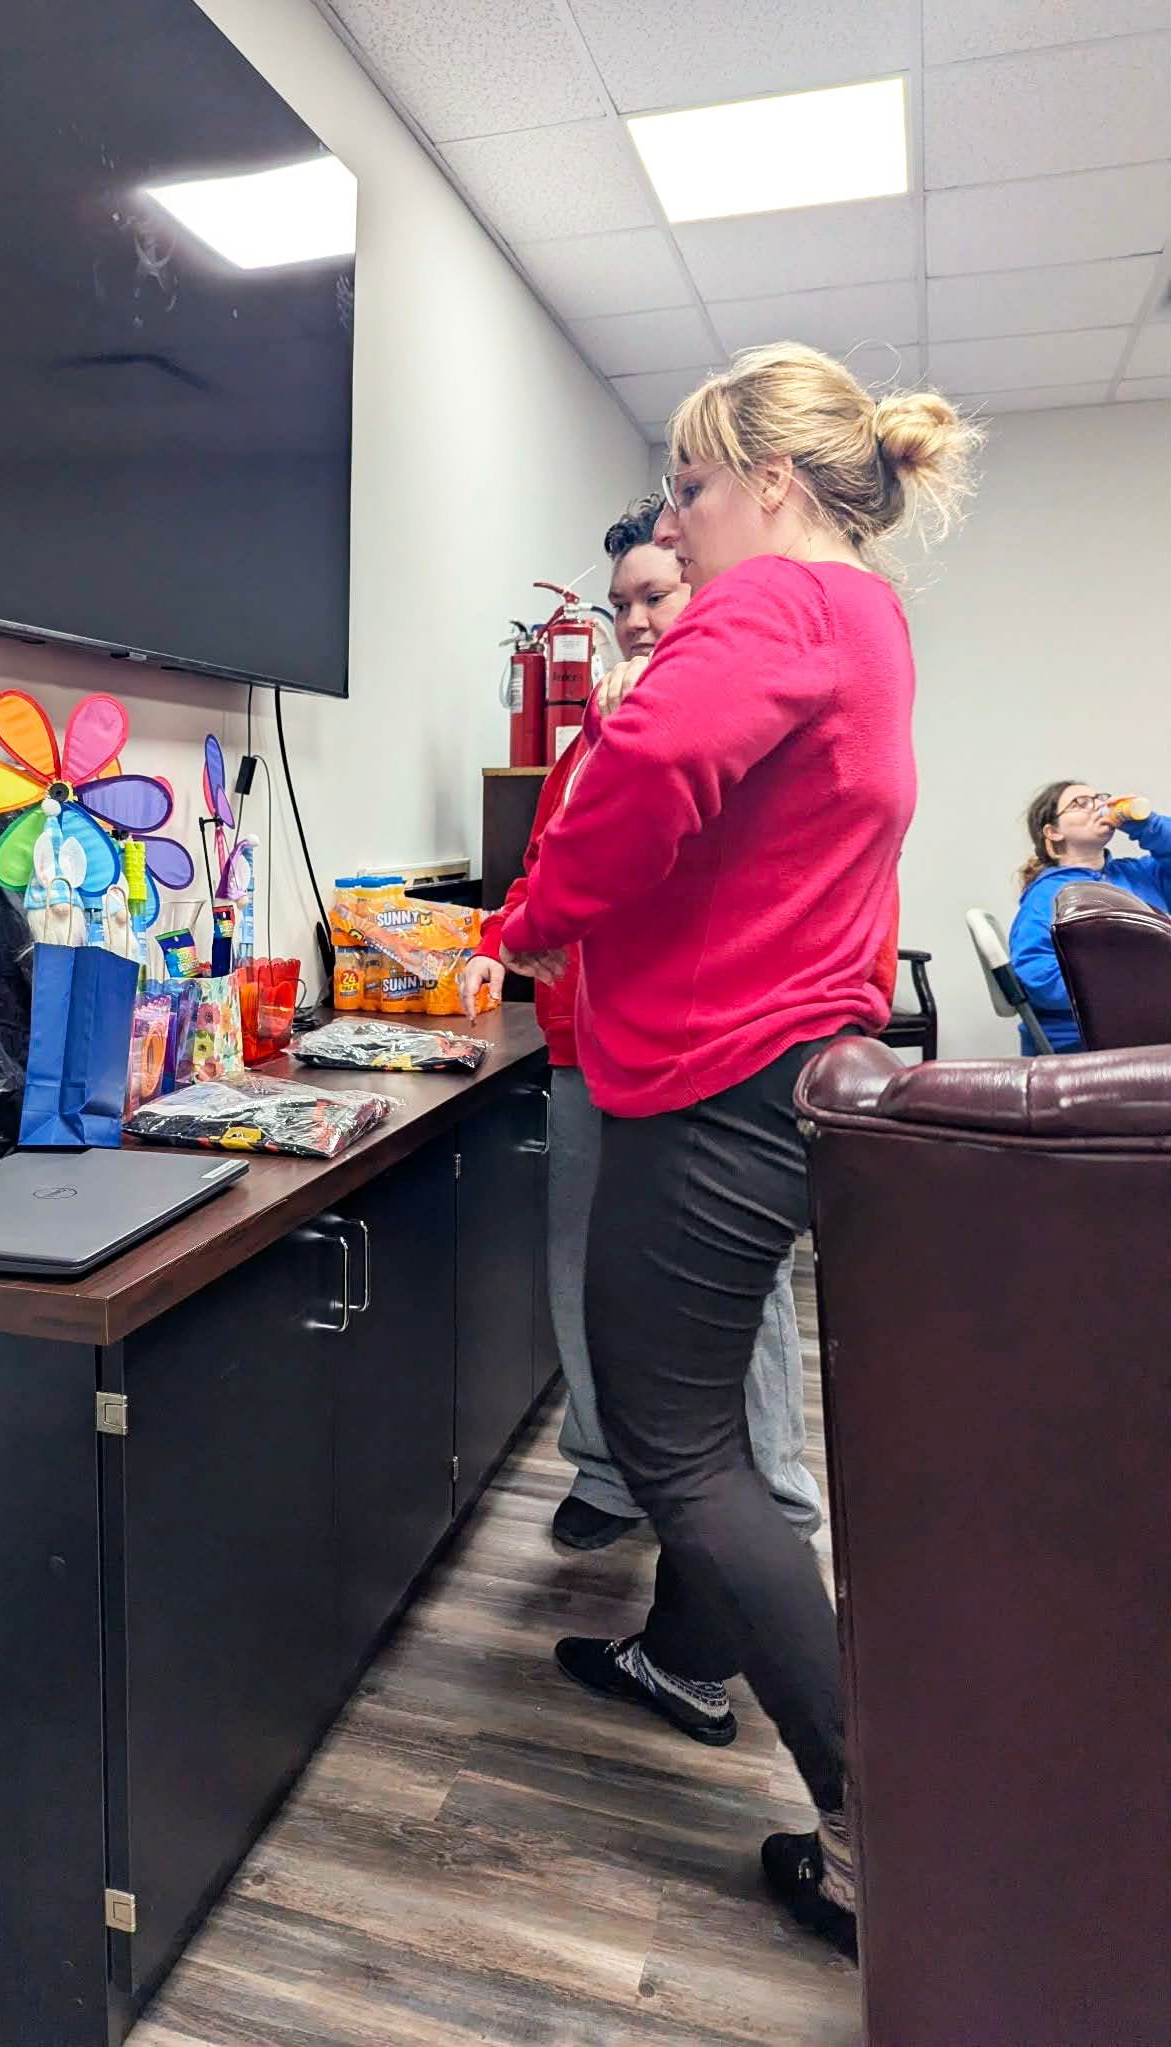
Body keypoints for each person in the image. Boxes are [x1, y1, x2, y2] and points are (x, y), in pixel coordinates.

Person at [497, 342, 982, 1958]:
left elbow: (642, 764)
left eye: (690, 487)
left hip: (715, 1077)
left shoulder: (770, 598)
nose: (673, 524)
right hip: (783, 1062)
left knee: (676, 1445)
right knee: (696, 1427)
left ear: (769, 481)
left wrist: (532, 917)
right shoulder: (866, 615)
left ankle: (874, 1830)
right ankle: (686, 1658)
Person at [466, 500, 822, 1555]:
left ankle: (779, 1506)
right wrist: (508, 935)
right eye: (617, 604)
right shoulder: (585, 739)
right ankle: (606, 1472)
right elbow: (545, 870)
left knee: (734, 1286)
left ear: (704, 589)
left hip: (698, 1054)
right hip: (582, 1046)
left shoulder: (733, 708)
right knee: (581, 1270)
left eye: (654, 595)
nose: (631, 621)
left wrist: (645, 723)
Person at [1008, 784, 1171, 1051]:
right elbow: (1037, 976)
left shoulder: (1140, 874)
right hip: (1087, 1041)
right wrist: (1130, 987)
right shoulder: (1046, 895)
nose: (1097, 805)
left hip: (1151, 1028)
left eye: (1098, 798)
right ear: (1053, 832)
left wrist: (1149, 826)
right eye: (1080, 802)